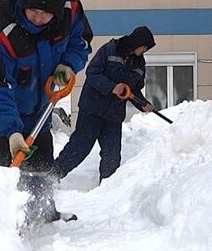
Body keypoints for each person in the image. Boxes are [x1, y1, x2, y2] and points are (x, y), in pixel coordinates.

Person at [0, 0, 93, 223]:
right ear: (24, 3)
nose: (38, 17)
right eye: (33, 10)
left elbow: (80, 41)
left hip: (39, 99)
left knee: (40, 162)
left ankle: (43, 213)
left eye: (45, 13)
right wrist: (12, 132)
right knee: (0, 165)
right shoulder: (2, 31)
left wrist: (67, 65)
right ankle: (1, 224)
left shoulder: (70, 12)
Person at [52, 26, 155, 183]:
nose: (145, 50)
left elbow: (133, 91)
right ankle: (53, 176)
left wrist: (143, 104)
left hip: (113, 114)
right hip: (92, 108)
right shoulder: (110, 49)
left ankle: (107, 189)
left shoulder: (139, 64)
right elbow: (92, 73)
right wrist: (112, 87)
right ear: (137, 42)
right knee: (80, 147)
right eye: (144, 46)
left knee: (112, 154)